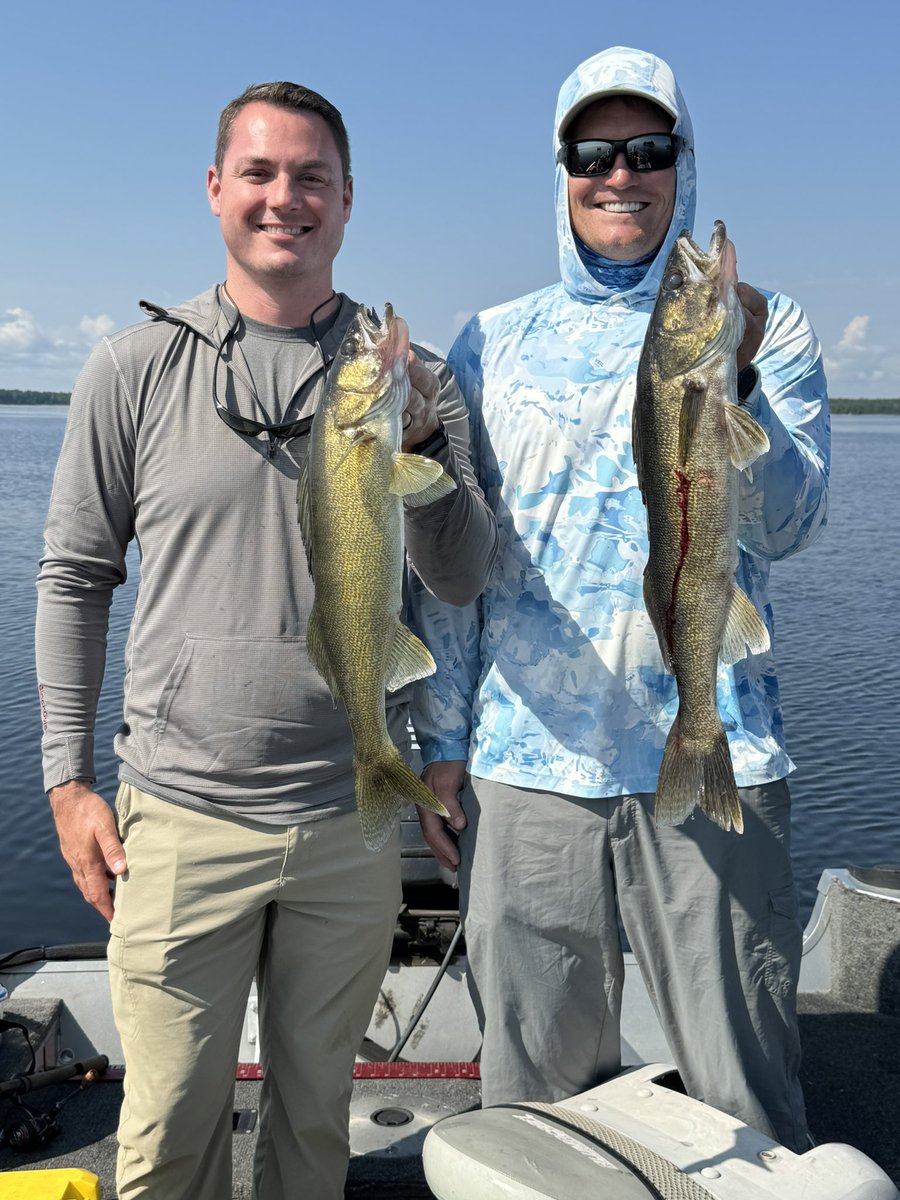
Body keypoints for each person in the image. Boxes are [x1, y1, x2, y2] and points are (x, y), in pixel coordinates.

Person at [36, 81, 497, 1200]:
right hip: (178, 825)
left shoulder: (418, 376)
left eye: (311, 178)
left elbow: (461, 577)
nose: (284, 198)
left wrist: (425, 450)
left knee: (312, 1132)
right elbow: (73, 576)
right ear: (215, 190)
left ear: (347, 203)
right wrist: (66, 780)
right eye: (259, 173)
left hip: (350, 822)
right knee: (164, 1141)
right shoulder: (132, 369)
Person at [411, 46, 829, 1153]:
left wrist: (731, 368)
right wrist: (439, 740)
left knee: (746, 1094)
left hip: (716, 743)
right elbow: (456, 569)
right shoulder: (489, 343)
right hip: (526, 766)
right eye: (593, 152)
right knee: (536, 1103)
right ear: (561, 171)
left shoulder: (763, 323)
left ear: (682, 166)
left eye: (649, 149)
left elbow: (789, 526)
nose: (621, 174)